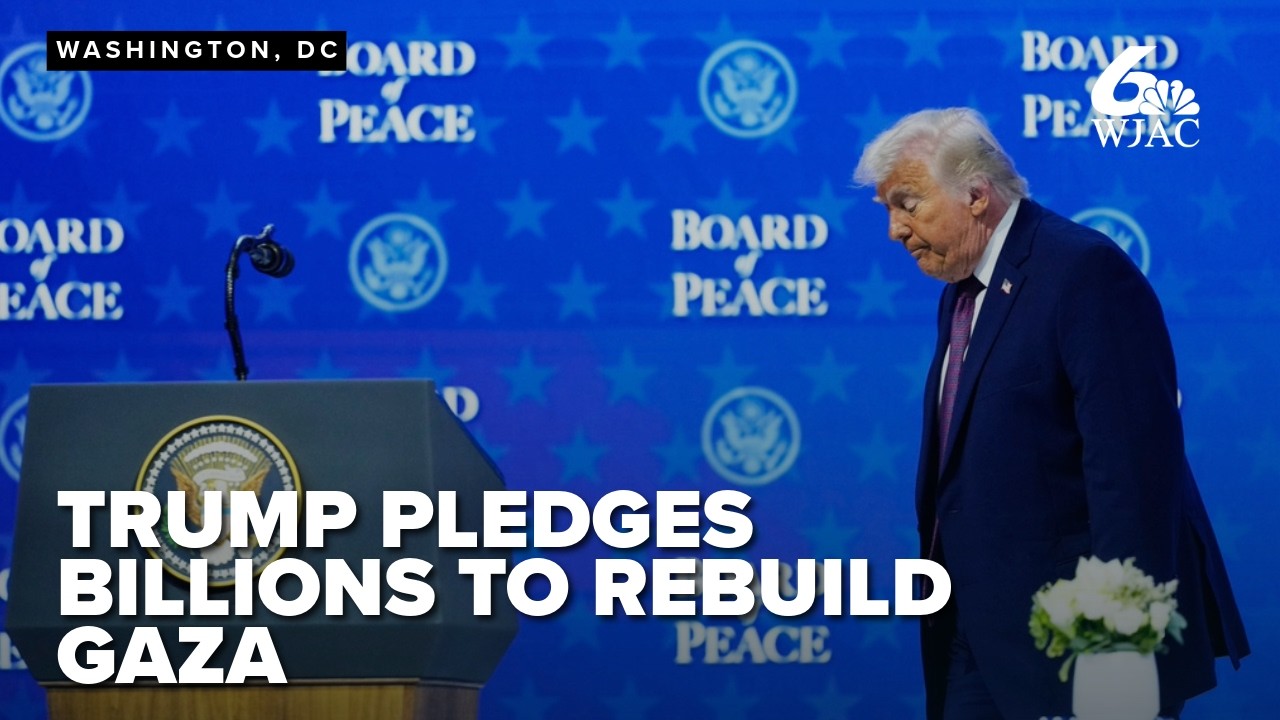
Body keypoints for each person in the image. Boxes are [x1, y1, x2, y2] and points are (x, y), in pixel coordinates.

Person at [852, 108, 1249, 719]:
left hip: (1074, 639)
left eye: (907, 204)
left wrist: (1118, 640)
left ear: (976, 195)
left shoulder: (1083, 271)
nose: (894, 230)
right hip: (977, 631)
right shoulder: (962, 293)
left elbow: (1132, 470)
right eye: (887, 209)